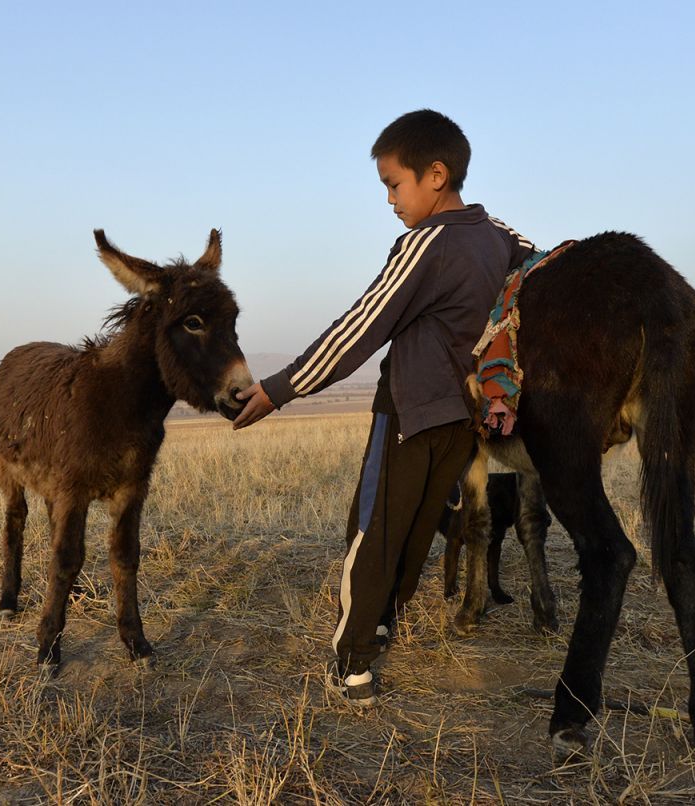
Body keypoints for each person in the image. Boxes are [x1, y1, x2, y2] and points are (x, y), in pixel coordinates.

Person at [232, 109, 536, 706]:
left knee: (374, 528)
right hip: (462, 419)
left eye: (394, 185)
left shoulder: (424, 244)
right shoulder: (500, 237)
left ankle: (354, 659)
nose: (390, 200)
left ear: (436, 176)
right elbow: (536, 265)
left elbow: (360, 328)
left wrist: (280, 388)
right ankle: (383, 622)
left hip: (408, 412)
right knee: (419, 528)